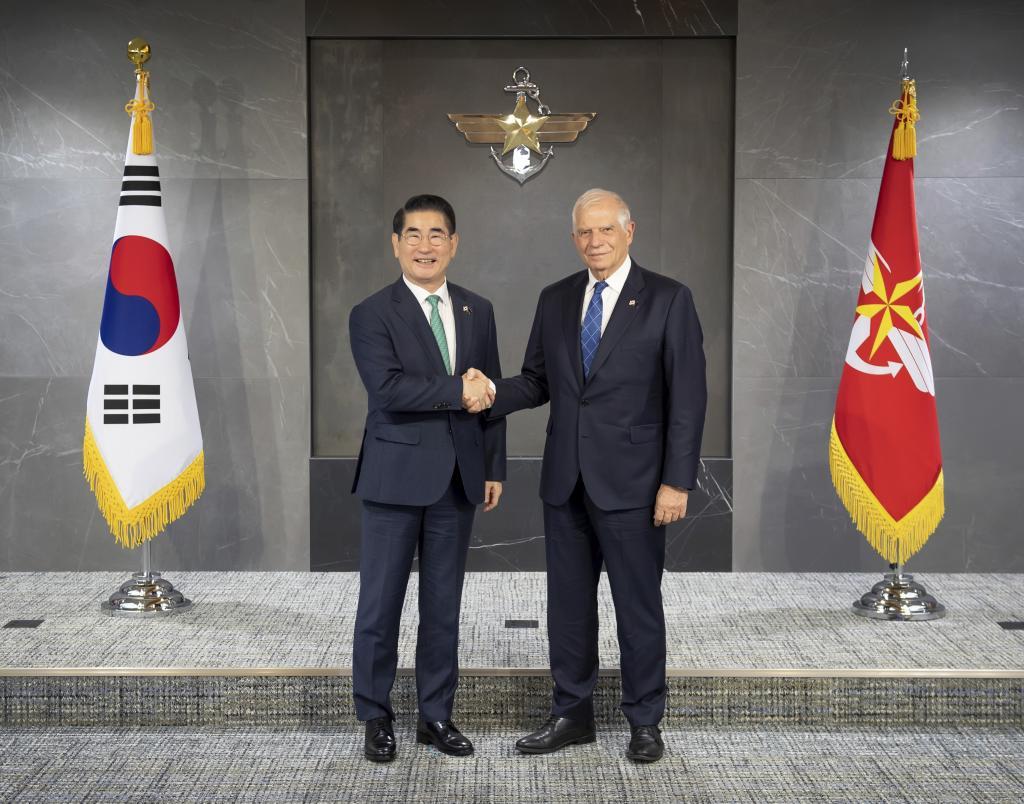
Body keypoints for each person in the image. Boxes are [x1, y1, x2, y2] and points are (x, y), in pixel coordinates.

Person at [466, 188, 706, 763]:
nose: (594, 242)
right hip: (566, 481)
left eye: (605, 230)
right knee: (568, 607)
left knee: (637, 606)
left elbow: (689, 399)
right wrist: (491, 392)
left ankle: (645, 722)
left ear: (629, 231)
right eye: (584, 233)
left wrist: (677, 482)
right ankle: (571, 713)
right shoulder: (557, 298)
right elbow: (537, 379)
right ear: (574, 238)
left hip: (638, 486)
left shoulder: (669, 299)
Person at [349, 194, 505, 762]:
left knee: (443, 607)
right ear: (396, 245)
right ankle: (376, 717)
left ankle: (435, 716)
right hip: (393, 480)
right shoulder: (371, 312)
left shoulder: (477, 309)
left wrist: (493, 465)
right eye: (413, 234)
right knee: (380, 604)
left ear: (454, 244)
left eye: (437, 234)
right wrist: (454, 391)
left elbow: (489, 394)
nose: (424, 245)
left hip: (459, 480)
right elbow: (388, 388)